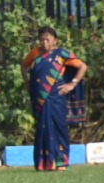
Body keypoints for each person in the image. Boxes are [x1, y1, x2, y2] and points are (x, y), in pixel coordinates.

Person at [20, 26, 87, 172]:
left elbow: (82, 66)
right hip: (39, 99)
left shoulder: (62, 54)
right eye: (42, 39)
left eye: (47, 39)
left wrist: (72, 84)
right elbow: (24, 66)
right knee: (41, 129)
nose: (44, 42)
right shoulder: (35, 53)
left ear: (54, 40)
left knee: (58, 128)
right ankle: (44, 163)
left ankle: (61, 162)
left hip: (56, 97)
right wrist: (27, 83)